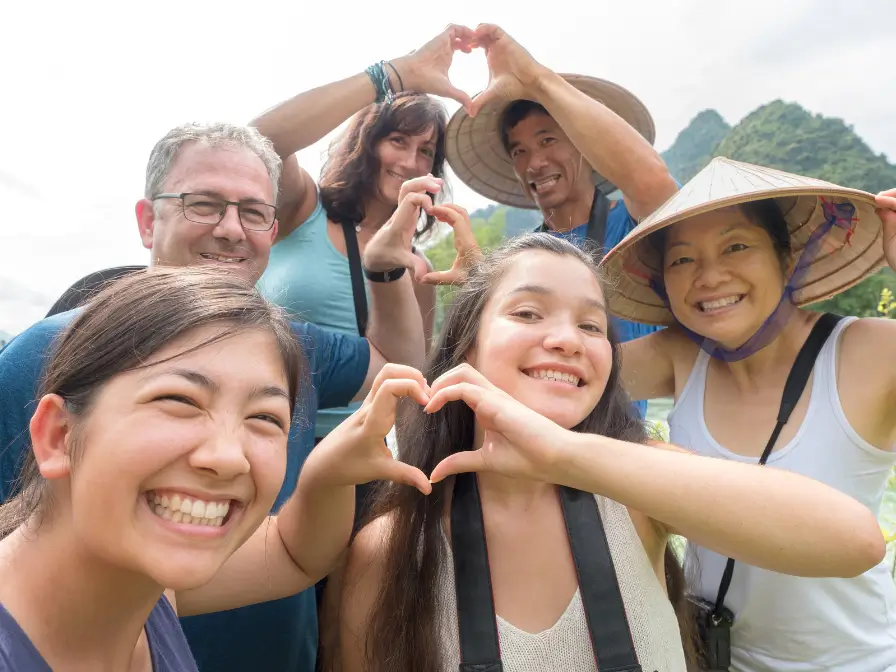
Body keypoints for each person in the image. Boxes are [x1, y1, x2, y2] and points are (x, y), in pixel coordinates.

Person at [334, 233, 885, 672]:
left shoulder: (636, 491)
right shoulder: (396, 545)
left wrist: (565, 455)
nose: (568, 340)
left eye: (592, 325)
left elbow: (852, 540)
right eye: (527, 313)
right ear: (466, 345)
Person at [0, 121, 428, 672]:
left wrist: (329, 472)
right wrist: (389, 76)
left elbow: (293, 551)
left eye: (266, 417)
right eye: (178, 401)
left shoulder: (148, 597)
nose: (231, 229)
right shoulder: (43, 352)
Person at [600, 157, 896, 671]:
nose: (710, 277)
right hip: (710, 657)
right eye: (682, 260)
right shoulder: (679, 355)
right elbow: (558, 377)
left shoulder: (865, 352)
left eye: (736, 246)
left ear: (787, 259)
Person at [252, 24, 476, 444]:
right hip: (265, 439)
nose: (411, 161)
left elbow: (412, 386)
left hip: (355, 463)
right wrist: (392, 75)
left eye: (426, 151)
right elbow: (258, 142)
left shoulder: (416, 268)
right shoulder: (304, 209)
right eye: (398, 140)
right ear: (366, 142)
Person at [444, 24, 679, 417]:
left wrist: (534, 77)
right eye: (519, 150)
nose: (534, 163)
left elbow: (654, 183)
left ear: (585, 146)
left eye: (549, 140)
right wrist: (479, 284)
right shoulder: (523, 260)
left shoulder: (633, 227)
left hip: (623, 443)